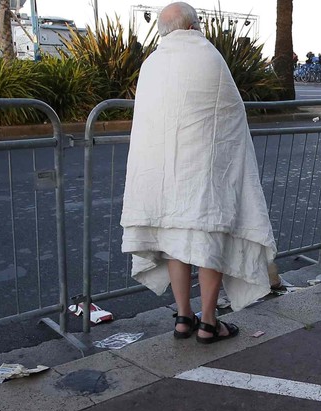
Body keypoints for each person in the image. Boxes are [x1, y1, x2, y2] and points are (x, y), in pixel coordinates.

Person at [120, 3, 277, 344]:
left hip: (165, 178)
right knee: (210, 240)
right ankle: (208, 322)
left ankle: (182, 317)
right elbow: (230, 116)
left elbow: (147, 126)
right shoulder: (210, 57)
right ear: (193, 26)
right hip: (206, 175)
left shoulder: (151, 65)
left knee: (175, 242)